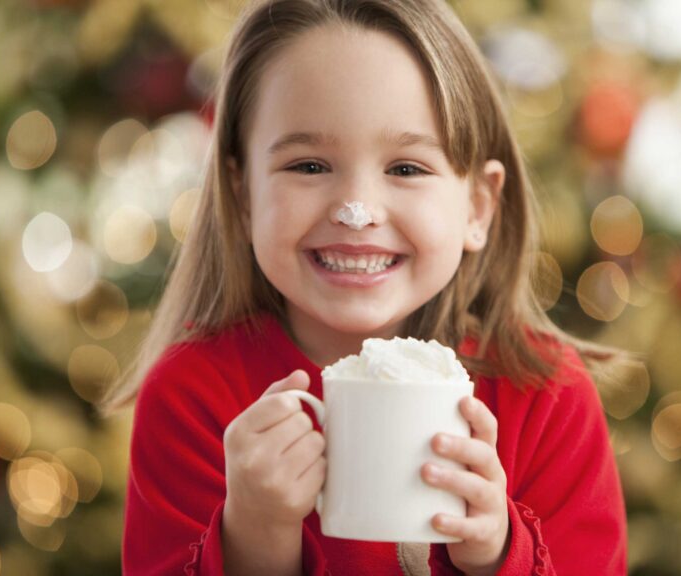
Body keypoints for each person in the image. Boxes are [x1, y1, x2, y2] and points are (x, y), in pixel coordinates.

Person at [98, 0, 628, 574]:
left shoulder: (548, 398)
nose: (356, 212)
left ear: (477, 205)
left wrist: (501, 552)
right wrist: (252, 536)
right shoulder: (192, 399)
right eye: (308, 166)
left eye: (406, 169)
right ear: (243, 193)